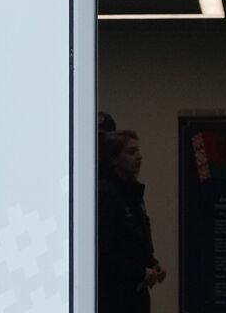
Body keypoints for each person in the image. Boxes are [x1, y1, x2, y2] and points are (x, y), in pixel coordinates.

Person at [98, 130, 166, 313]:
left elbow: (138, 238)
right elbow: (105, 252)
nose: (139, 156)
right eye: (131, 152)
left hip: (138, 292)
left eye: (138, 151)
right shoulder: (106, 195)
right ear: (114, 159)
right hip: (114, 295)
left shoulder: (134, 193)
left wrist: (152, 263)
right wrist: (140, 271)